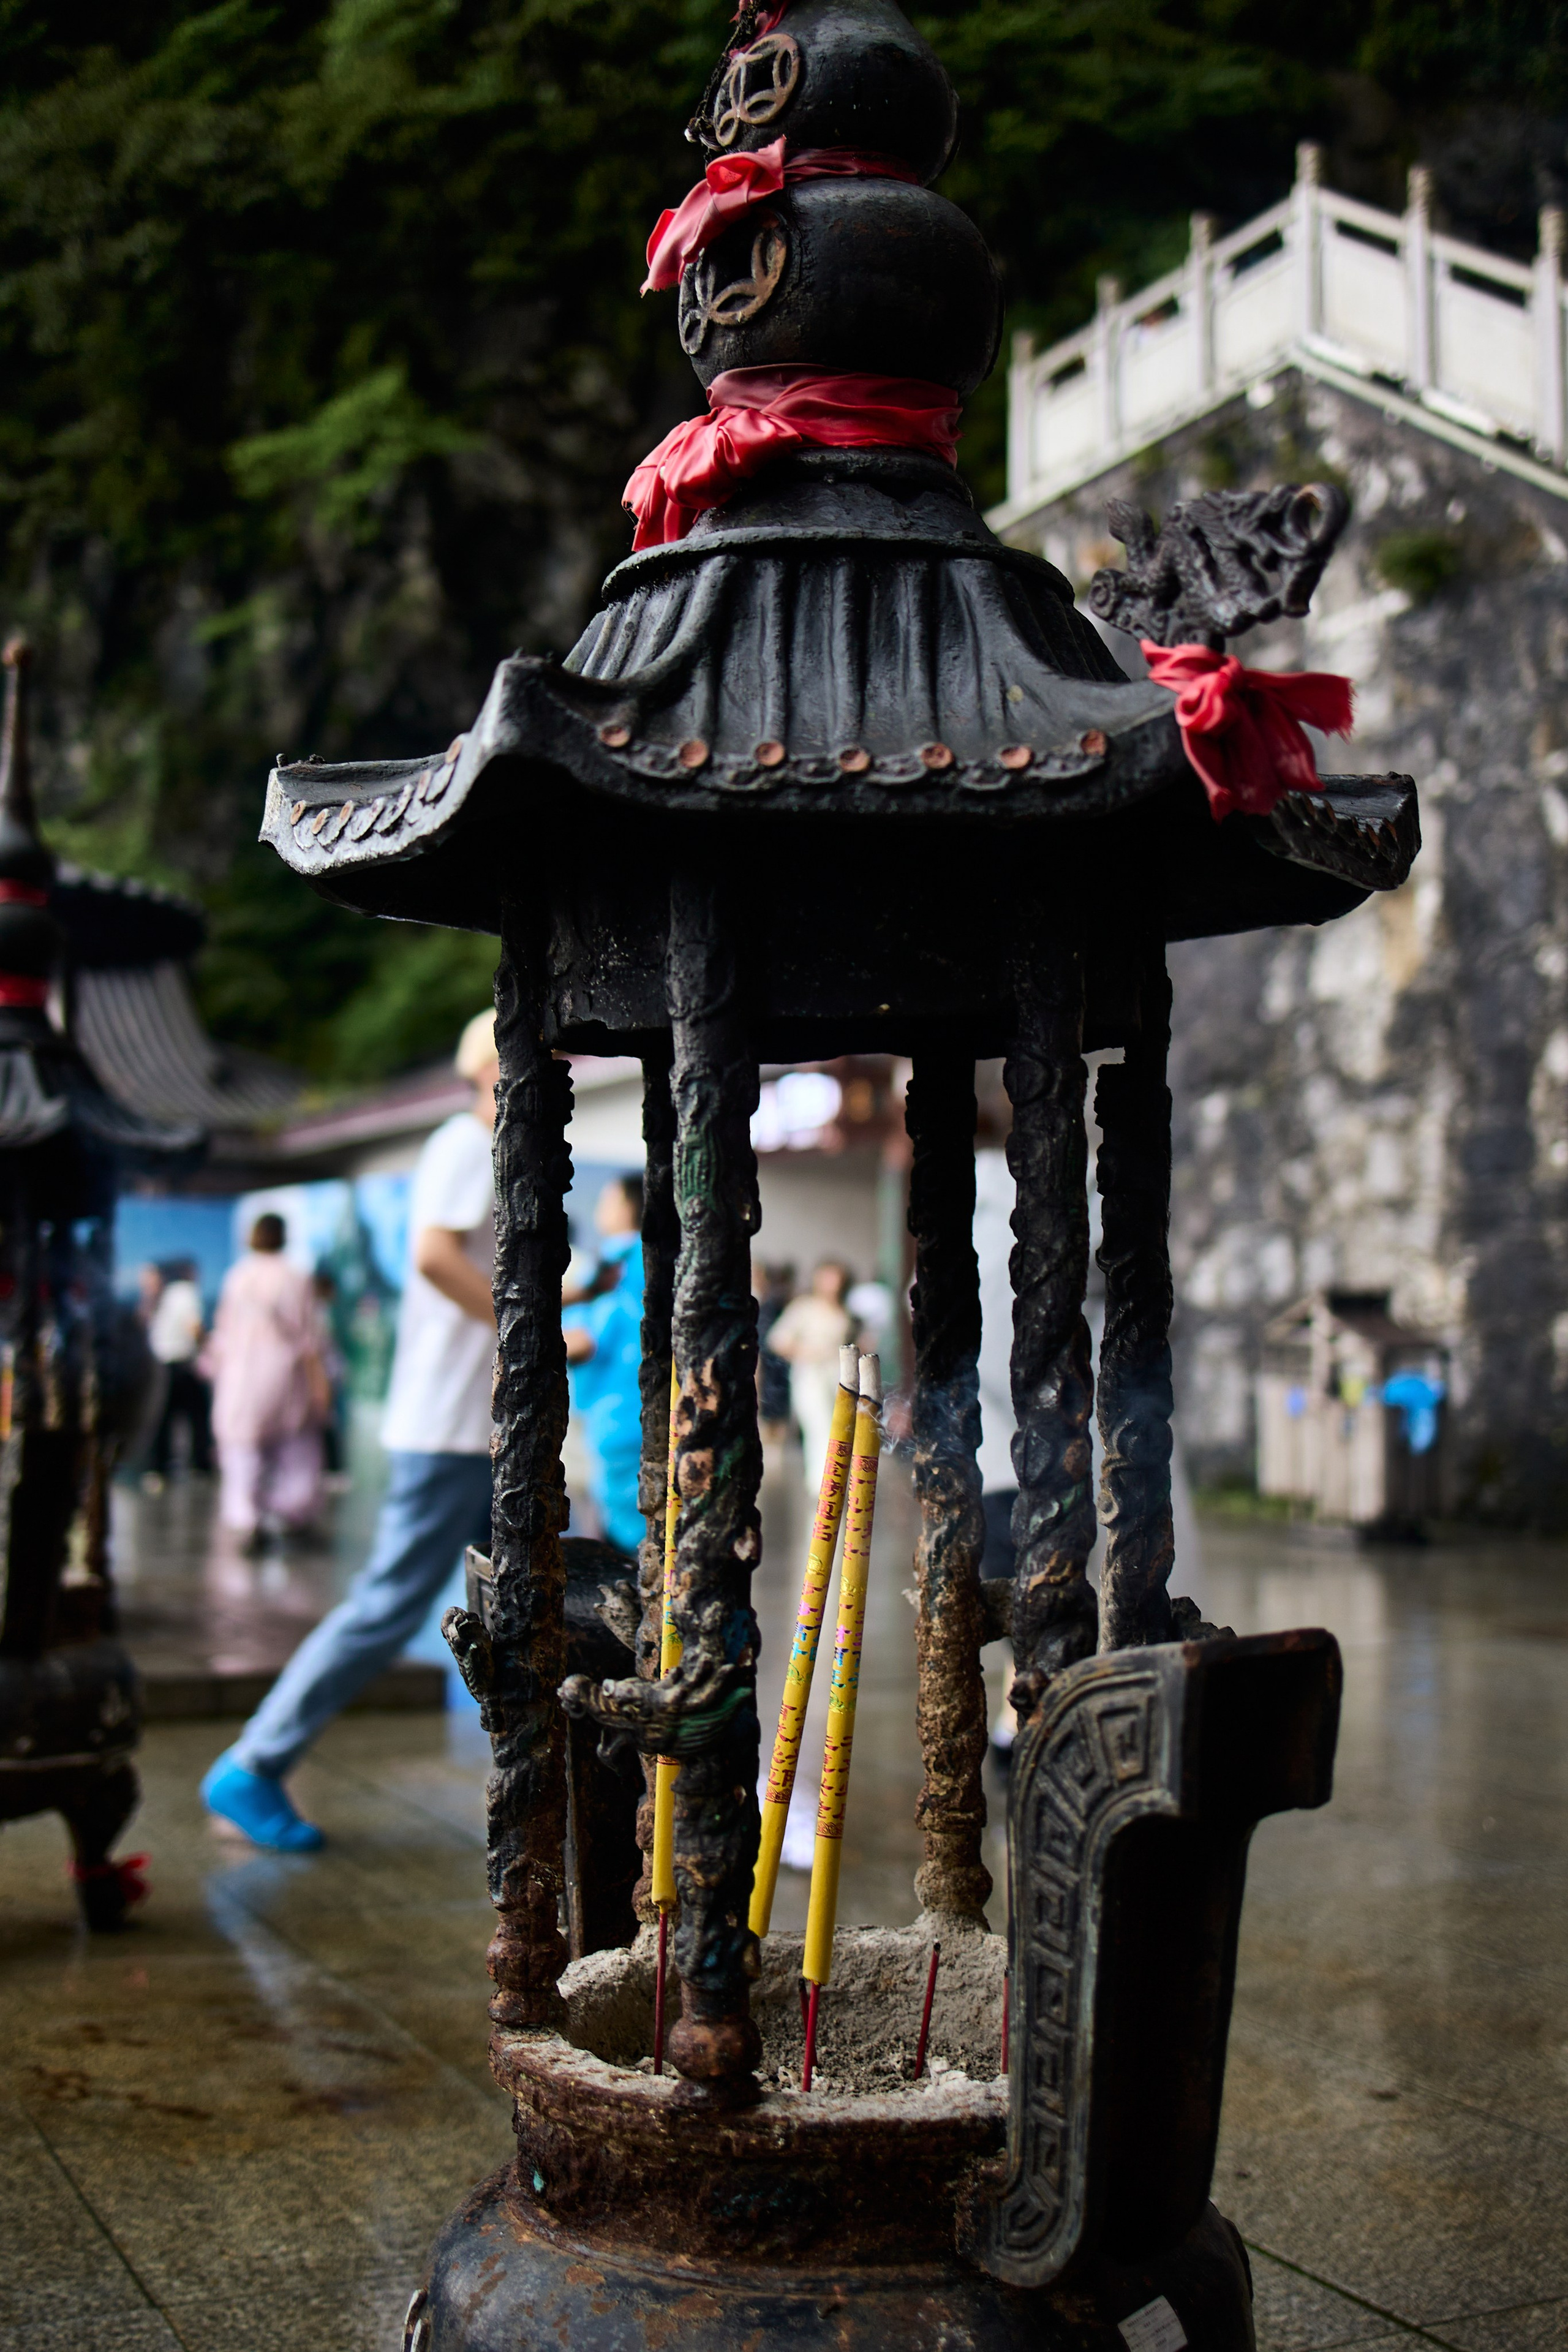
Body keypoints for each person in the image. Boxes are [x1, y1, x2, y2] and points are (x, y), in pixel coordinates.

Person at [200, 1009, 502, 1853]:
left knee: (522, 1602)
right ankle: (253, 1764)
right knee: (386, 1606)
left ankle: (546, 1778)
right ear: (491, 1065)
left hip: (476, 1428)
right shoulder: (466, 1143)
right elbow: (436, 1258)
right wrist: (533, 1326)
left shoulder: (490, 1148)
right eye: (543, 1055)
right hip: (447, 1428)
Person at [205, 1215, 329, 1547]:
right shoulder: (296, 1276)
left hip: (241, 1375)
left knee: (243, 1449)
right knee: (297, 1448)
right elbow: (310, 1335)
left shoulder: (238, 1276)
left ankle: (247, 1519)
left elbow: (224, 1330)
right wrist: (320, 1382)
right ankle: (294, 1515)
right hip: (285, 1374)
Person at [562, 1175, 645, 1558]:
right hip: (636, 1406)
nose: (600, 1209)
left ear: (628, 1207)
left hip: (617, 1410)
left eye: (607, 1200)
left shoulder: (618, 1261)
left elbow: (586, 1339)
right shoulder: (654, 1259)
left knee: (624, 1542)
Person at [767, 1259, 856, 1493]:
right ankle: (822, 1484)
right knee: (820, 1425)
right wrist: (806, 1353)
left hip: (838, 1373)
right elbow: (778, 1340)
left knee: (840, 1426)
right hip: (812, 1373)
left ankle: (836, 1478)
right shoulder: (804, 1307)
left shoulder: (843, 1309)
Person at [145, 1258, 212, 1485]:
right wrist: (209, 1345)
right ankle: (200, 1464)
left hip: (162, 1362)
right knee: (198, 1415)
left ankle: (157, 1467)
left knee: (163, 1416)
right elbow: (193, 1326)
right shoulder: (186, 1293)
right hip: (181, 1362)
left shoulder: (169, 1294)